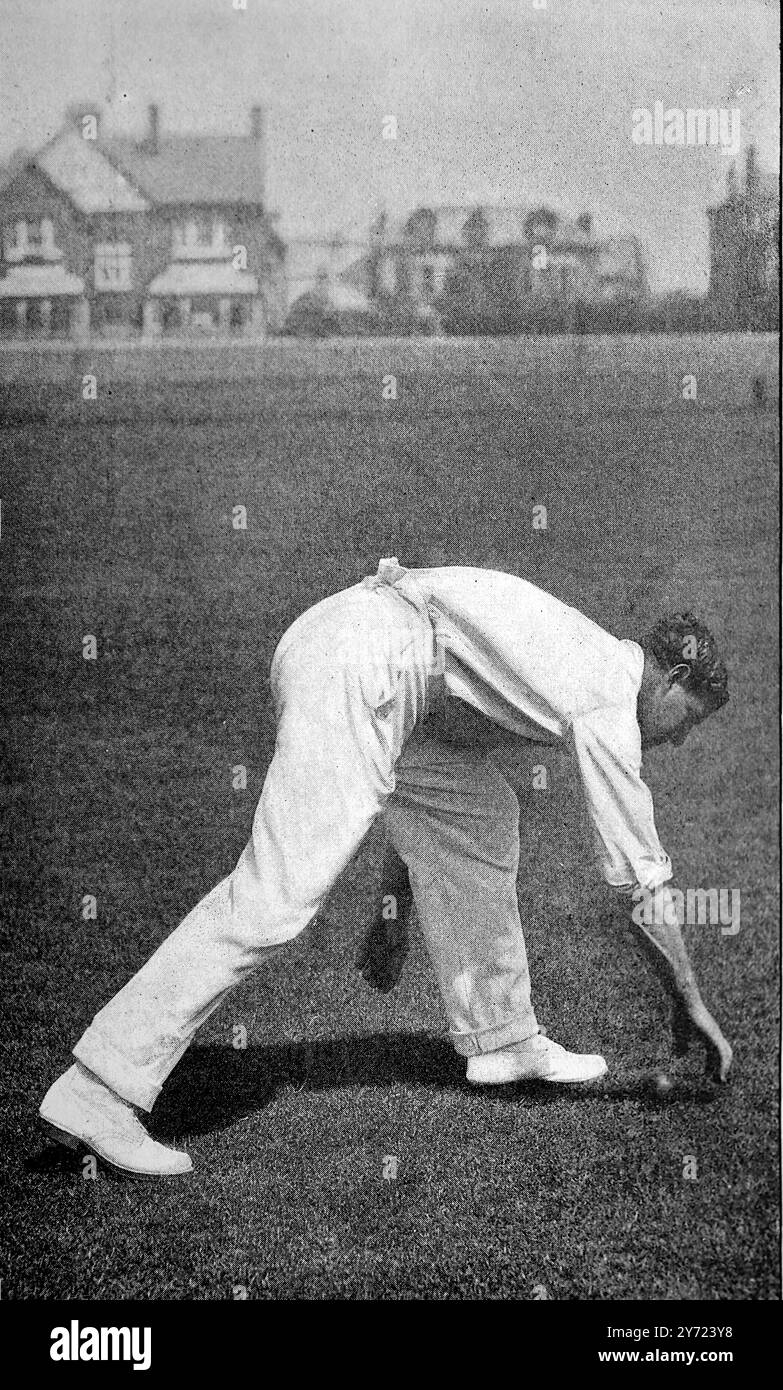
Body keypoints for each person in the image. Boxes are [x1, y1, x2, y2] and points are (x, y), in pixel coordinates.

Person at [39, 559, 732, 1178]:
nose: (678, 738)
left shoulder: (590, 661)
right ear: (669, 679)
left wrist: (390, 911)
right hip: (361, 660)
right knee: (275, 896)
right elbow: (640, 881)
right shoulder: (606, 699)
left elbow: (424, 765)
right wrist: (688, 1002)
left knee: (481, 812)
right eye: (687, 719)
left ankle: (503, 1039)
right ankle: (97, 1091)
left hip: (378, 662)